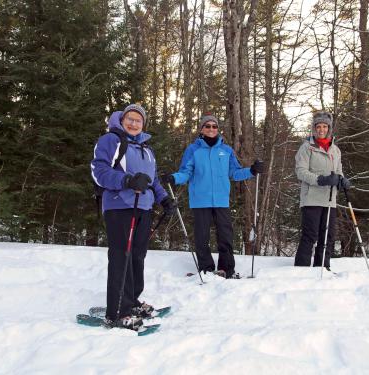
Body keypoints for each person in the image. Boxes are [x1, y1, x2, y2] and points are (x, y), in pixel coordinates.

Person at [91, 104, 176, 330]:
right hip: (120, 207)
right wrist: (127, 181)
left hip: (144, 207)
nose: (134, 123)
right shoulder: (111, 141)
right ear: (122, 120)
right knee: (121, 257)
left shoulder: (146, 149)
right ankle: (118, 312)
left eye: (138, 120)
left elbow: (153, 180)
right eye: (130, 119)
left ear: (143, 124)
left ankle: (132, 302)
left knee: (137, 257)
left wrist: (164, 199)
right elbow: (98, 171)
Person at [162, 114, 264, 279]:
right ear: (201, 129)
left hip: (221, 200)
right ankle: (206, 269)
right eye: (207, 126)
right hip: (200, 200)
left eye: (214, 126)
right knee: (202, 238)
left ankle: (227, 269)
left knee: (226, 236)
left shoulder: (226, 150)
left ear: (218, 129)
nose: (211, 129)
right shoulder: (193, 150)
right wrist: (174, 178)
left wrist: (251, 171)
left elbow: (235, 173)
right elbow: (185, 173)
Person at [294, 111, 351, 270]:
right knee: (310, 235)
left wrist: (342, 180)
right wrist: (321, 179)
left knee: (328, 236)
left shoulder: (335, 150)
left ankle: (322, 268)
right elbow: (301, 171)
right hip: (311, 198)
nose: (321, 129)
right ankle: (301, 269)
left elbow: (338, 171)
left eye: (324, 126)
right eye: (318, 126)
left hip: (330, 200)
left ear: (329, 128)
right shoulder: (307, 148)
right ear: (314, 128)